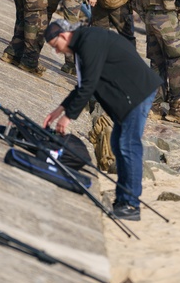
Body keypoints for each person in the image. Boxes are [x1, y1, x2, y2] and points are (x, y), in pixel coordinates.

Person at [42, 20, 161, 222]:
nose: (58, 52)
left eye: (56, 47)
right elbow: (82, 85)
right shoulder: (83, 43)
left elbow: (89, 85)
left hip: (138, 92)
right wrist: (59, 110)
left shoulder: (89, 41)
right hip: (130, 94)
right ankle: (123, 199)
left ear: (64, 36)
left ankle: (131, 204)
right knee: (117, 143)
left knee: (128, 145)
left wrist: (68, 117)